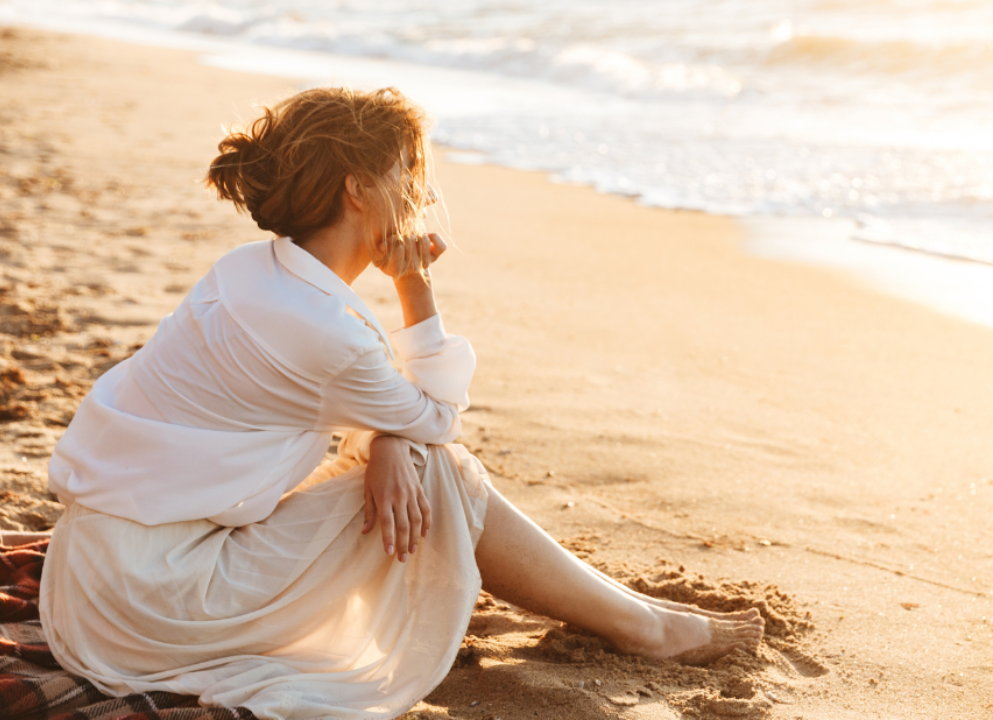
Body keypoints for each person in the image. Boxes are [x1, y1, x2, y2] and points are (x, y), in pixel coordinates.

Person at [29, 86, 762, 720]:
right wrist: (415, 294)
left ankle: (644, 616)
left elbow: (367, 403)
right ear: (356, 188)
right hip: (154, 609)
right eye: (405, 168)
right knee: (445, 471)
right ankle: (648, 628)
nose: (418, 187)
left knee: (411, 455)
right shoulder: (327, 332)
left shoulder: (252, 272)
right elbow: (436, 419)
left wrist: (386, 437)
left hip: (97, 580)